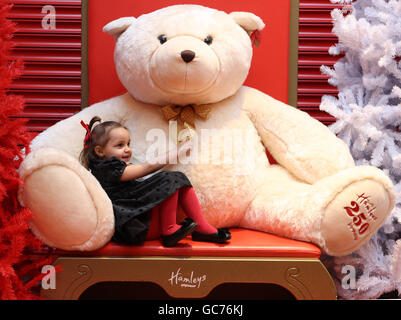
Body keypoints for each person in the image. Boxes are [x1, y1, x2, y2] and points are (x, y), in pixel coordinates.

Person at [79, 116, 231, 247]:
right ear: (100, 151)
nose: (127, 150)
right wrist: (176, 152)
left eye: (128, 144)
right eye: (120, 145)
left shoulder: (114, 167)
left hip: (142, 221)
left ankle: (201, 228)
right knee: (168, 179)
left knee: (176, 180)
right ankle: (170, 229)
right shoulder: (107, 169)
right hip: (135, 227)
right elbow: (147, 167)